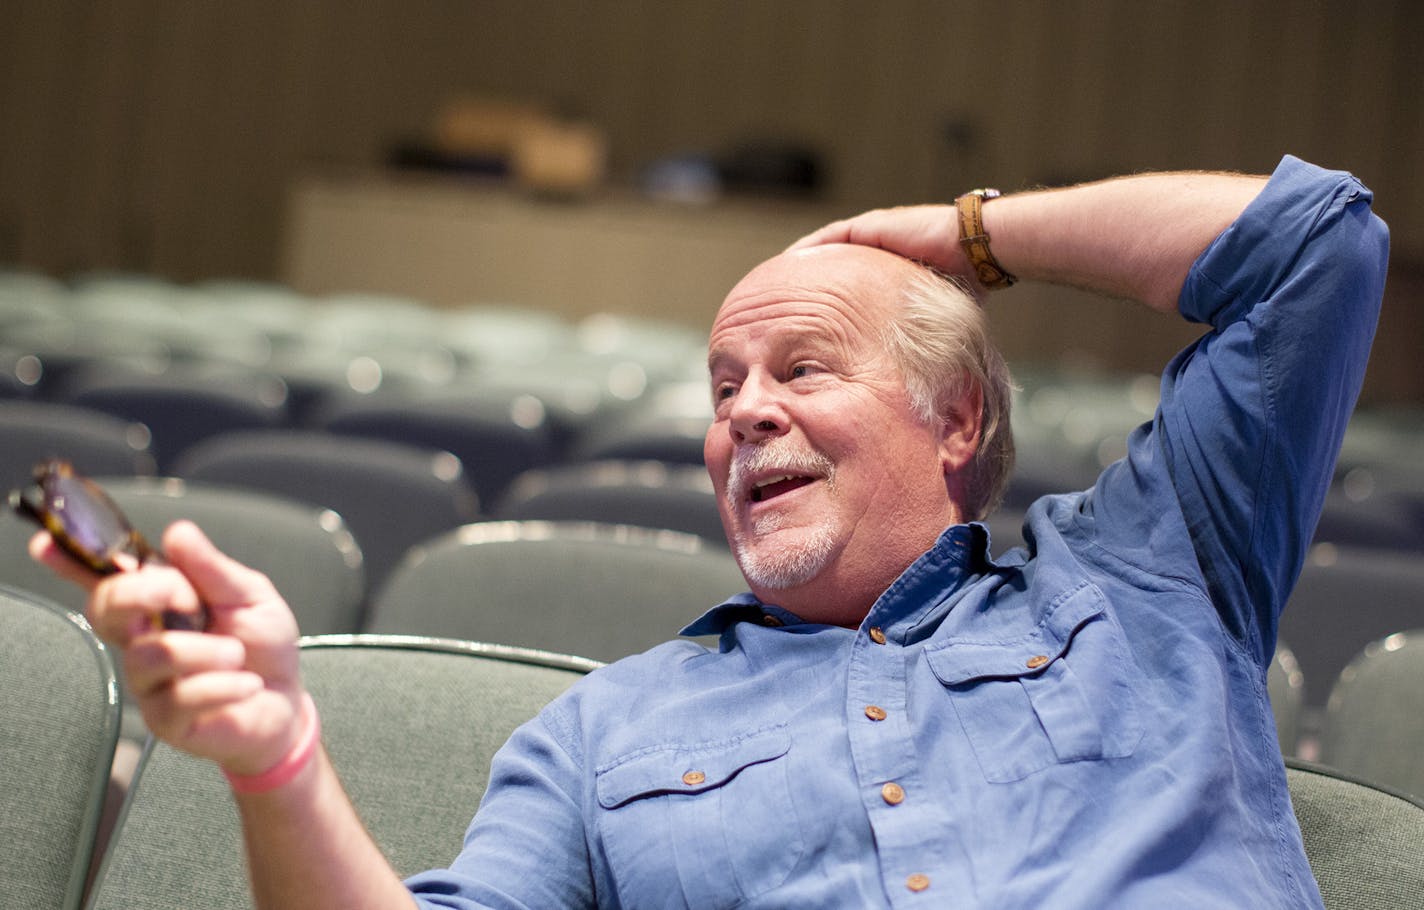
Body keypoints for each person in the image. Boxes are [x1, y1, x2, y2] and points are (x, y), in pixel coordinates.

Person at [35, 154, 1386, 908]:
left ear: (958, 417)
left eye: (804, 369)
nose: (745, 414)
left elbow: (1318, 247)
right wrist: (281, 756)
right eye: (723, 388)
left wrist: (966, 235)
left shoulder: (1153, 572)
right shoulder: (606, 732)